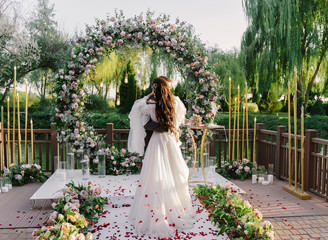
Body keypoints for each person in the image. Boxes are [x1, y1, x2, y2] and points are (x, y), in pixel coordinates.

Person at [128, 76, 194, 238]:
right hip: (169, 139)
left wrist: (150, 95)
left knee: (155, 174)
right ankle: (174, 208)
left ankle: (157, 210)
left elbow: (137, 107)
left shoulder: (149, 106)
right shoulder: (175, 103)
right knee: (173, 172)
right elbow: (177, 121)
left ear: (155, 88)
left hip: (157, 141)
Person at [143, 76, 172, 152]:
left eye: (170, 87)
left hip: (169, 138)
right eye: (167, 87)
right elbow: (145, 122)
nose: (168, 90)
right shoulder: (150, 102)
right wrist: (163, 127)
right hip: (152, 139)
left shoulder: (172, 101)